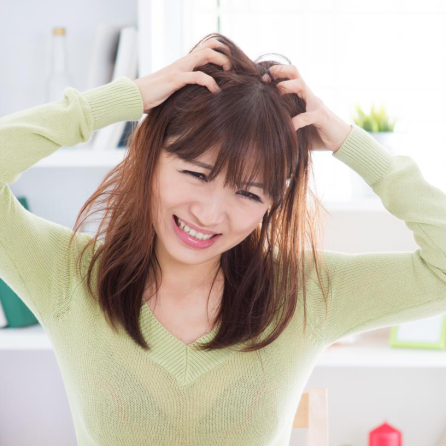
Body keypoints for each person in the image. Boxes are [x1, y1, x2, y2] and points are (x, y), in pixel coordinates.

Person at [1, 32, 445, 446]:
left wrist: (346, 140)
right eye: (196, 173)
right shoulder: (69, 276)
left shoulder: (304, 292)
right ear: (151, 157)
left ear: (272, 203)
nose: (210, 214)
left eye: (248, 193)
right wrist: (126, 99)